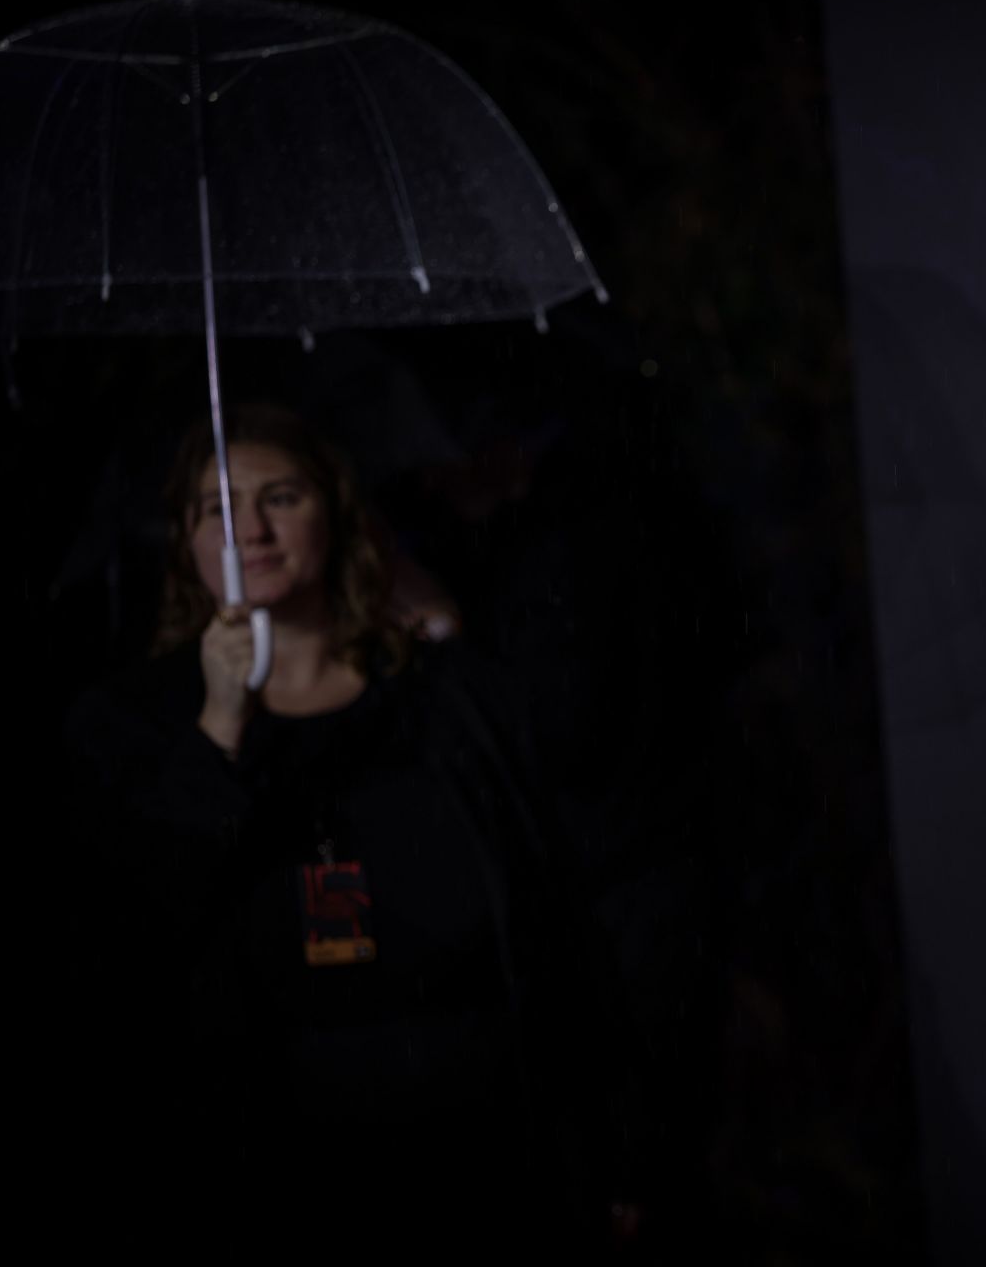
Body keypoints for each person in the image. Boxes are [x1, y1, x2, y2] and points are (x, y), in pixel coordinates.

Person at [62, 403, 635, 1253]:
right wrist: (218, 725)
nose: (249, 528)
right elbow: (127, 938)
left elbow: (558, 924)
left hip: (483, 1176)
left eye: (281, 497)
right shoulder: (127, 724)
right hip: (267, 1185)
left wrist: (610, 1160)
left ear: (335, 510)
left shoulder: (449, 701)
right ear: (184, 535)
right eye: (218, 507)